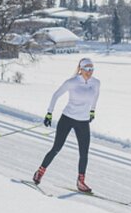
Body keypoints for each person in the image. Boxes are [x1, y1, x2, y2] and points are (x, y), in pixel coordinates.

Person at [32, 57, 101, 193]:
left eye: (91, 68)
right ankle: (40, 171)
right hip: (68, 118)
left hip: (83, 121)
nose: (89, 71)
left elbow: (96, 96)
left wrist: (92, 110)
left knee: (84, 153)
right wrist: (49, 113)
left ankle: (81, 181)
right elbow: (56, 95)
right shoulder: (72, 82)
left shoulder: (96, 83)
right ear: (80, 69)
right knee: (56, 148)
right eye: (87, 68)